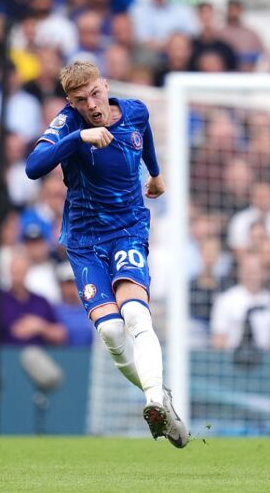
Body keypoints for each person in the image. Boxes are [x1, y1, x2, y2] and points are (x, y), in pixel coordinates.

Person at [25, 60, 188, 448]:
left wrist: (156, 173)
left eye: (96, 93)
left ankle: (151, 402)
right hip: (84, 242)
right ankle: (161, 397)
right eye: (81, 99)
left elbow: (144, 135)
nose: (93, 105)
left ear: (106, 86)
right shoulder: (68, 124)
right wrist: (79, 138)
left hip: (128, 232)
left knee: (135, 314)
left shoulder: (134, 110)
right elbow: (33, 167)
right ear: (71, 101)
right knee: (114, 334)